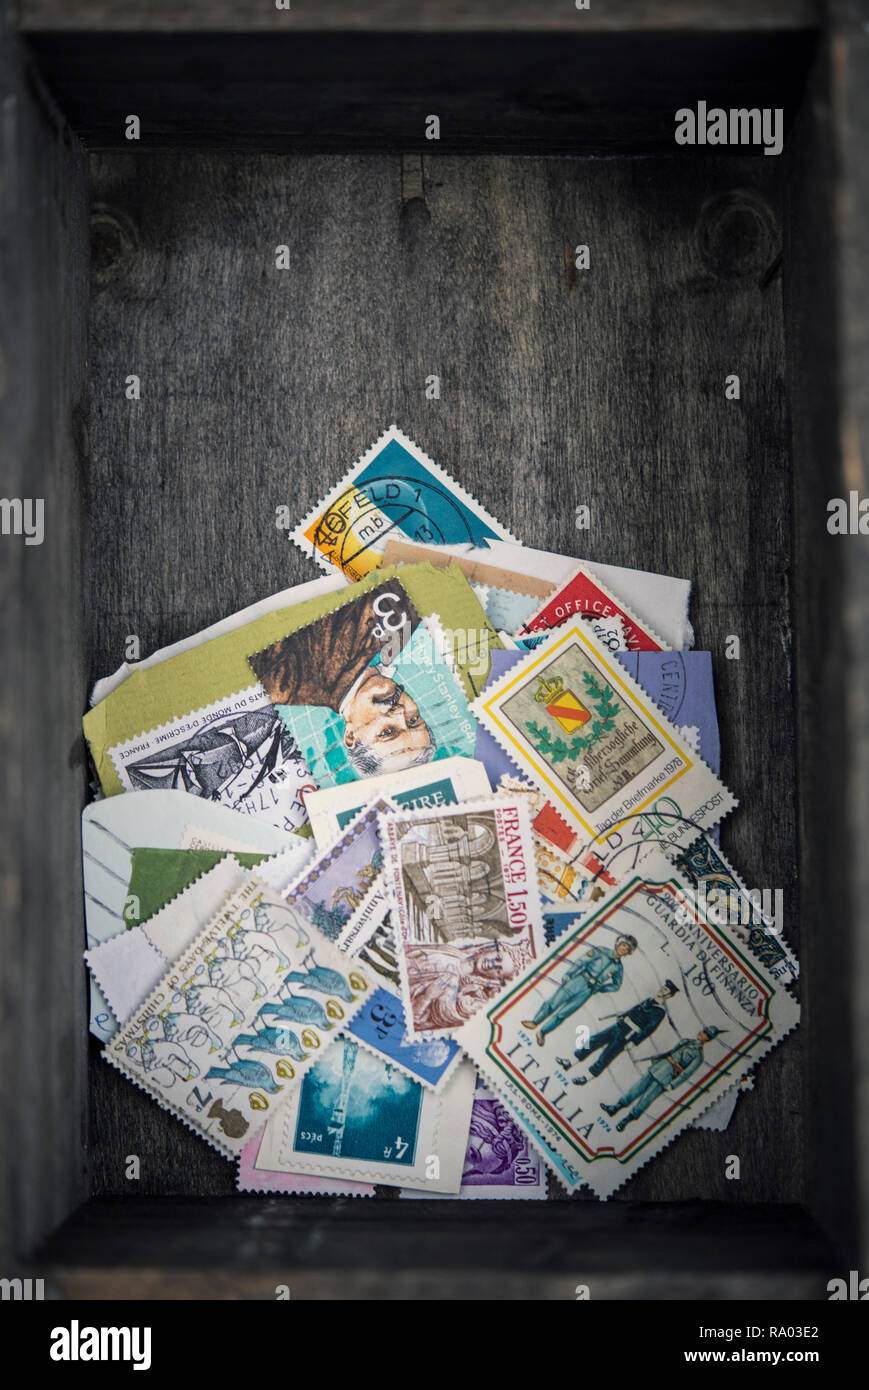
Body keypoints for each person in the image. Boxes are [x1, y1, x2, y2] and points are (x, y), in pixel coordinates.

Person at [249, 579, 435, 776]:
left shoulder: (280, 682)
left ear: (351, 736)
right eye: (413, 719)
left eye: (387, 732)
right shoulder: (409, 622)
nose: (399, 713)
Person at [600, 1024, 726, 1131]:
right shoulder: (686, 1041)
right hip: (659, 1067)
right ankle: (615, 1108)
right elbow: (671, 1053)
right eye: (703, 1031)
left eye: (706, 1035)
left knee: (646, 1099)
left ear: (708, 1039)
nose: (702, 1034)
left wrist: (672, 1085)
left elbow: (686, 1073)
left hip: (666, 1077)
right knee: (636, 1088)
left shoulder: (698, 1056)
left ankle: (627, 1120)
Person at [521, 934, 637, 1046]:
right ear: (618, 944)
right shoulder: (601, 951)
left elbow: (616, 985)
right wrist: (569, 973)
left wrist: (601, 988)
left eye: (627, 949)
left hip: (588, 991)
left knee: (564, 1013)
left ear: (628, 953)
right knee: (553, 1002)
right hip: (578, 980)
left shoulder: (618, 968)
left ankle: (542, 1032)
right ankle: (535, 1022)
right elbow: (582, 961)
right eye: (623, 945)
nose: (624, 949)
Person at [557, 980, 678, 1084]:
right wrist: (624, 1015)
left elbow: (648, 1030)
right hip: (619, 1026)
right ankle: (570, 1063)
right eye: (663, 986)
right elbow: (633, 1009)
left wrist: (633, 1043)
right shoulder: (649, 1000)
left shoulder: (660, 1012)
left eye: (666, 989)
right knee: (593, 1041)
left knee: (606, 1055)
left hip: (627, 1035)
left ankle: (586, 1078)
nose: (662, 989)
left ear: (669, 995)